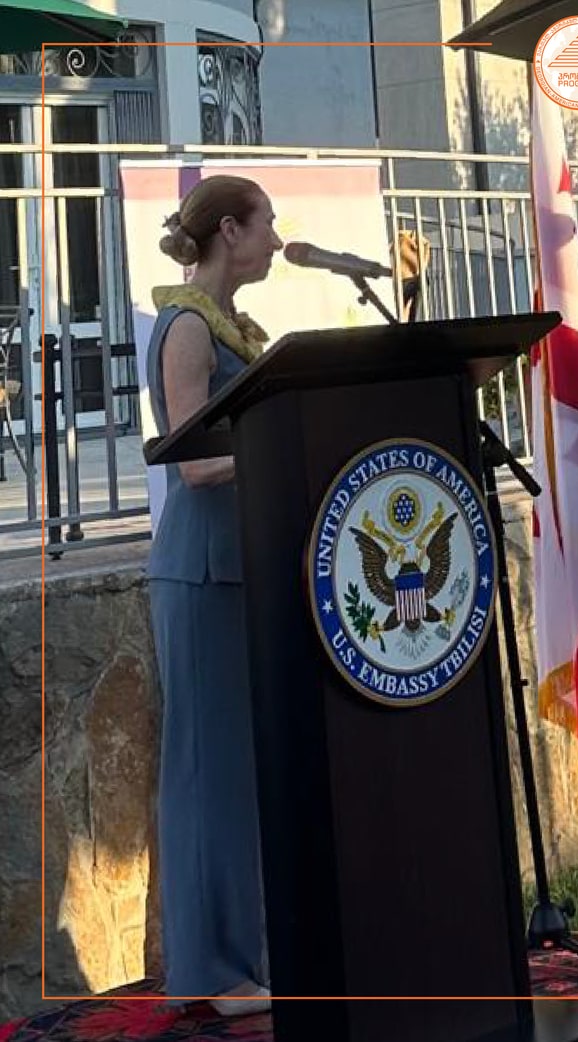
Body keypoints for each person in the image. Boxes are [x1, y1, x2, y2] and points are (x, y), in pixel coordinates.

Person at [147, 174, 283, 1016]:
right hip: (200, 571)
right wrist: (288, 444)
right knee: (206, 776)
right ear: (230, 231)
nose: (276, 239)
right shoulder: (189, 327)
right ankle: (212, 973)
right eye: (267, 225)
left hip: (240, 565)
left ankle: (247, 956)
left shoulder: (233, 325)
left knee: (239, 774)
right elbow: (192, 462)